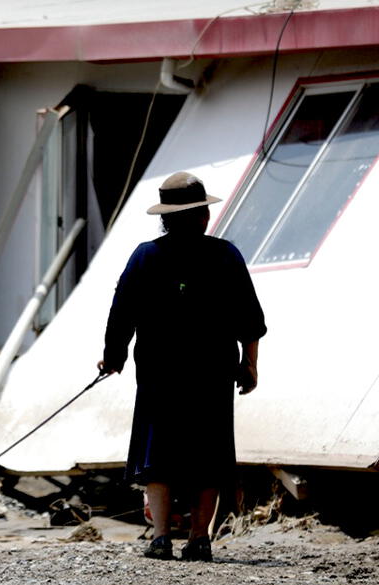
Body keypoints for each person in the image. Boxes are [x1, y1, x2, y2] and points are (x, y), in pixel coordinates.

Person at [98, 172, 266, 561]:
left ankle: (159, 538)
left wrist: (114, 357)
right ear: (204, 217)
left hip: (160, 376)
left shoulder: (145, 256)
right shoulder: (226, 255)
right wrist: (250, 365)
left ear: (165, 218)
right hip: (213, 374)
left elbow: (120, 313)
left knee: (159, 452)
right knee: (210, 451)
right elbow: (250, 319)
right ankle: (199, 538)